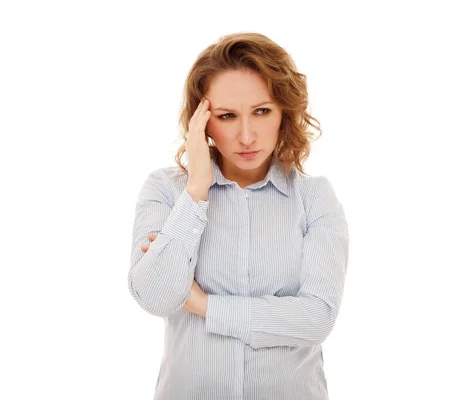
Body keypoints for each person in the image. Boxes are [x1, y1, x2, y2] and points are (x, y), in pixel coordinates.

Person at [128, 32, 350, 400]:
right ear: (202, 121)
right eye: (227, 116)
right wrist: (196, 189)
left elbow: (316, 318)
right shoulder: (166, 191)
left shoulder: (314, 198)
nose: (247, 136)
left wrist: (205, 305)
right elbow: (155, 296)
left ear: (284, 112)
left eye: (262, 111)